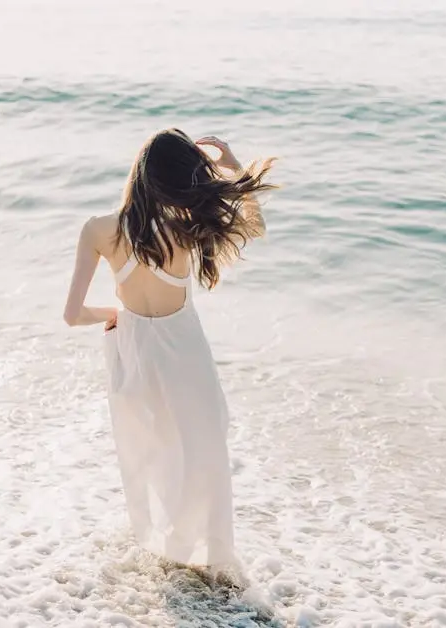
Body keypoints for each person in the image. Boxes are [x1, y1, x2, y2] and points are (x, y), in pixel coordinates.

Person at [63, 129, 277, 567]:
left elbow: (72, 314)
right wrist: (232, 166)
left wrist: (114, 315)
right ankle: (213, 561)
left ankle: (168, 549)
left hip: (132, 351)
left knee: (153, 449)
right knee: (205, 451)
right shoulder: (184, 228)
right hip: (183, 352)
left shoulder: (98, 230)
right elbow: (255, 225)